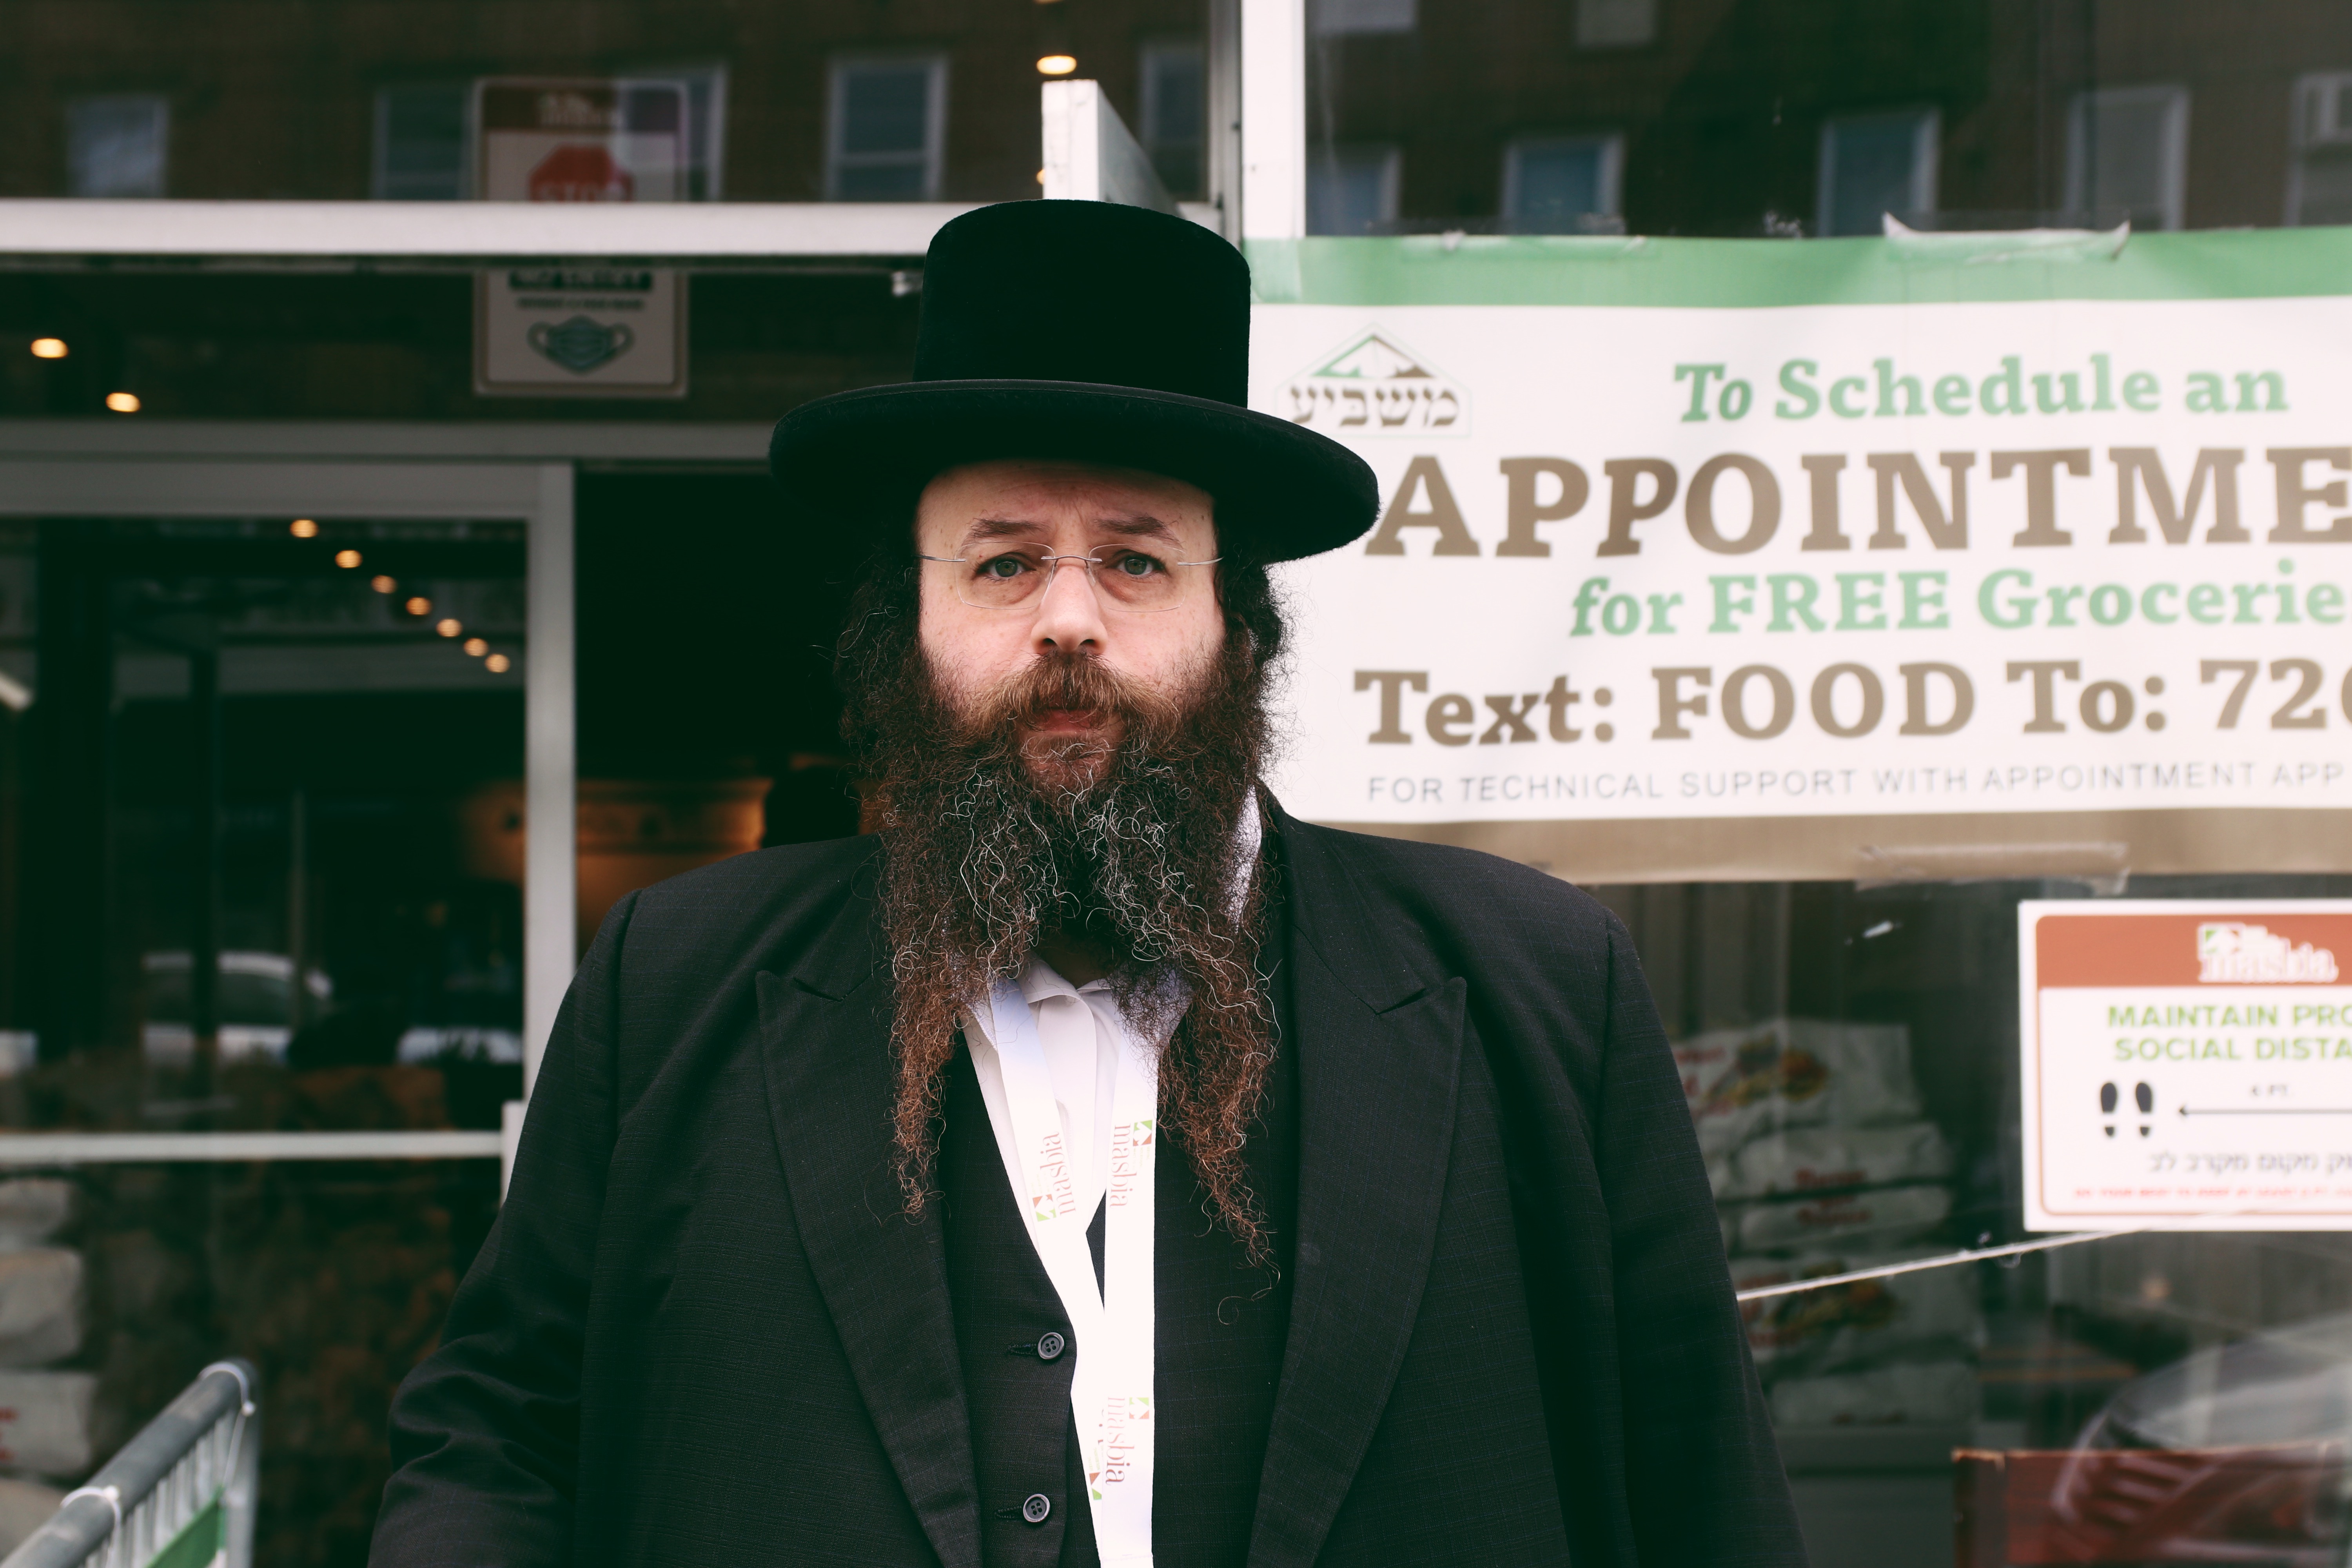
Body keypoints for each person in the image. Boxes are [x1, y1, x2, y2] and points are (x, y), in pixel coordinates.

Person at [369, 200, 1806, 1568]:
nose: (1069, 619)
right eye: (1002, 565)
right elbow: (499, 1432)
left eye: (1134, 560)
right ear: (910, 628)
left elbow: (1697, 1480)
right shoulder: (676, 974)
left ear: (1239, 625)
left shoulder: (1537, 977)